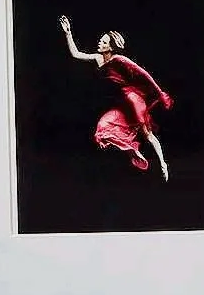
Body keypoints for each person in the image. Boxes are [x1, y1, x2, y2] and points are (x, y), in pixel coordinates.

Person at [58, 15, 172, 181]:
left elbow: (143, 74)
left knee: (147, 134)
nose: (100, 43)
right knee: (102, 128)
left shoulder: (119, 59)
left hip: (133, 100)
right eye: (101, 41)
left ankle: (163, 164)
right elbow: (76, 54)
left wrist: (159, 92)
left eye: (104, 42)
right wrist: (68, 32)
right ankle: (134, 151)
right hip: (121, 103)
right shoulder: (98, 58)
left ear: (110, 47)